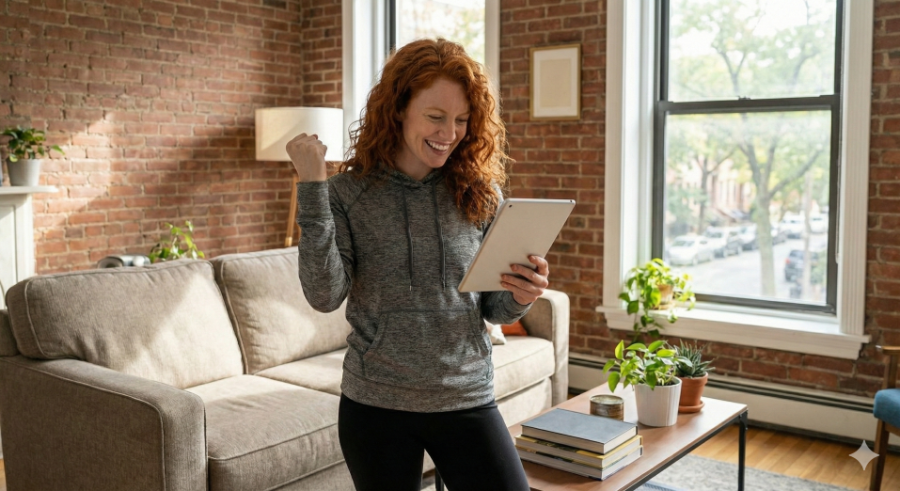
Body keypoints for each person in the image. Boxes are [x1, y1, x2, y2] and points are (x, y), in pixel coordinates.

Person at [285, 38, 549, 491]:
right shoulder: (349, 194)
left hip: (465, 396)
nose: (450, 132)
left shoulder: (481, 195)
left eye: (462, 120)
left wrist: (521, 295)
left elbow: (493, 309)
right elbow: (324, 295)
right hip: (376, 405)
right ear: (399, 109)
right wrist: (312, 186)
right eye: (435, 116)